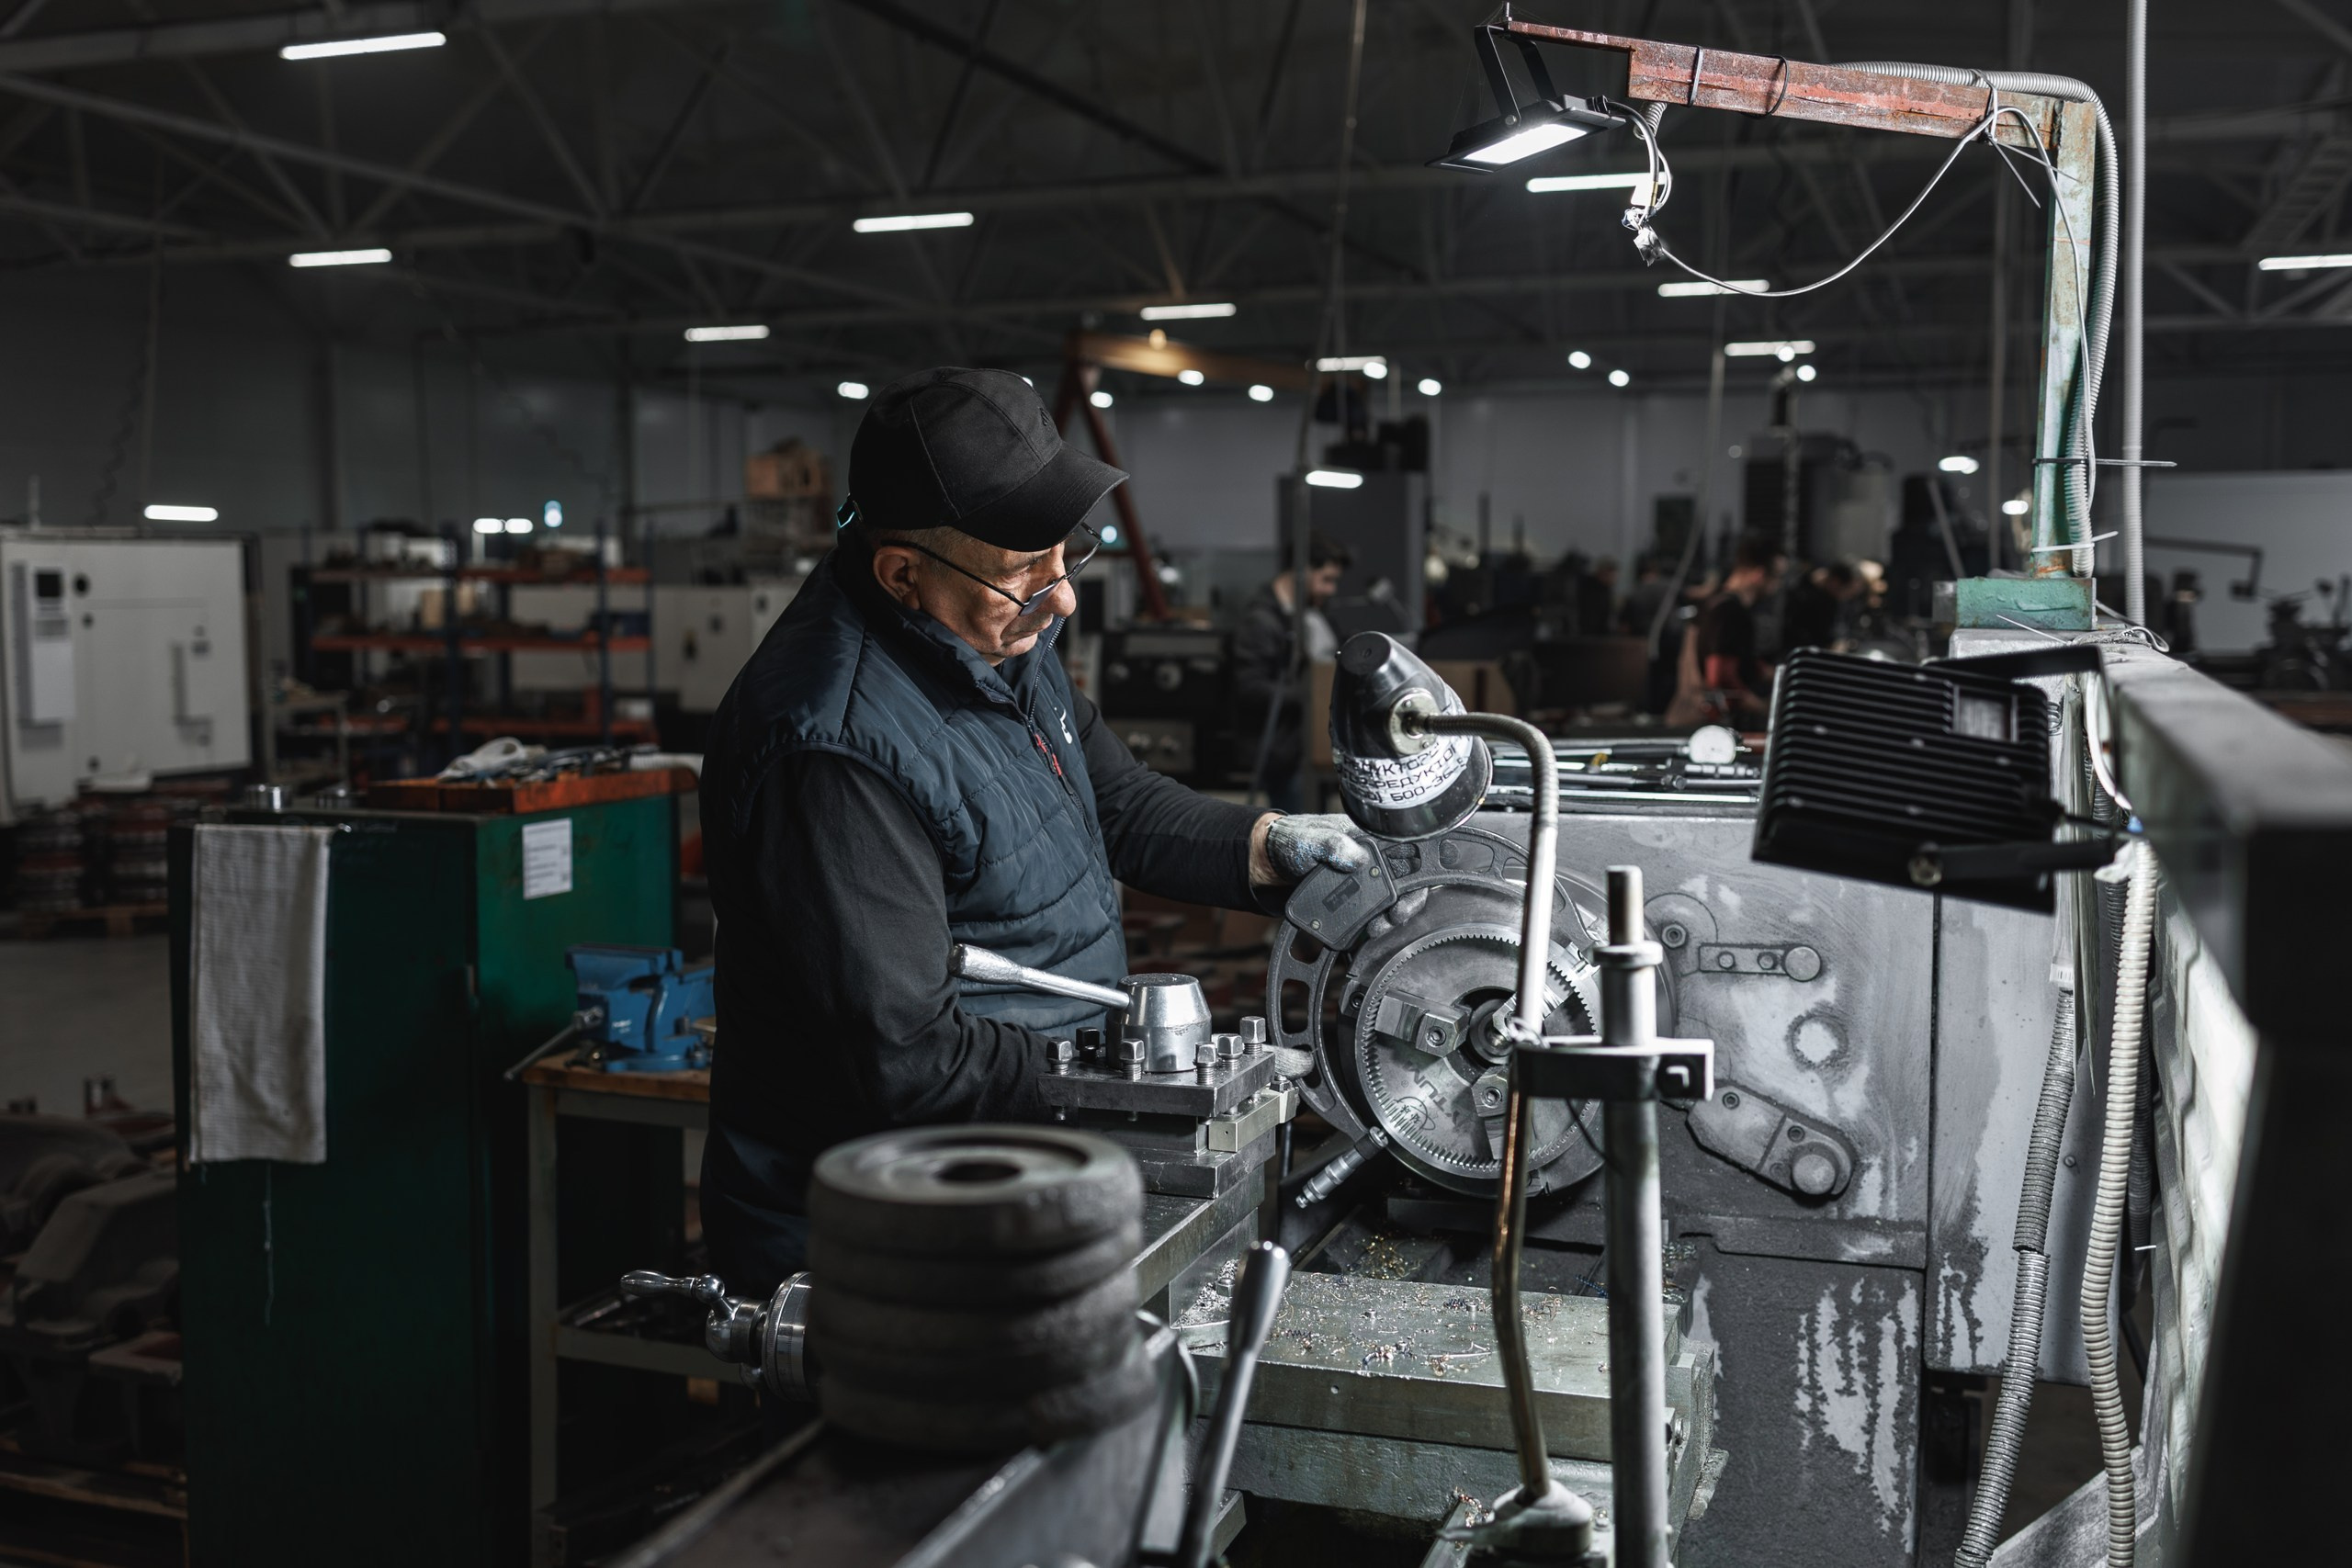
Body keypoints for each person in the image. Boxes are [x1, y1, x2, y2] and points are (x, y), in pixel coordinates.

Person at [696, 368, 1366, 1296]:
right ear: (902, 573)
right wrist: (1125, 1072)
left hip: (1023, 1163)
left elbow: (1120, 804)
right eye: (1024, 572)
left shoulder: (991, 639)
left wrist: (1272, 848)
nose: (1063, 601)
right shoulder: (833, 747)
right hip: (895, 1238)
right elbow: (907, 1058)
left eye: (1068, 554)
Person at [1232, 530, 1352, 810]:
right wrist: (1312, 696)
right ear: (1300, 571)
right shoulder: (1261, 621)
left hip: (1311, 749)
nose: (1331, 590)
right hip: (1284, 757)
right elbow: (1249, 687)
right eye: (1326, 580)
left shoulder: (1312, 615)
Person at [1667, 533, 1785, 726]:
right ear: (1759, 574)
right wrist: (1761, 708)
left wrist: (1770, 672)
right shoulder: (1732, 613)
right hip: (1714, 724)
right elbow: (1720, 676)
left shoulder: (1713, 601)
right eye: (1778, 577)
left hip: (1693, 718)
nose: (1778, 585)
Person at [1781, 560, 1864, 653]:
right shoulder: (1801, 593)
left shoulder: (1838, 600)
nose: (1848, 597)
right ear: (1836, 582)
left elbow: (1843, 627)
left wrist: (1841, 641)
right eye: (1848, 591)